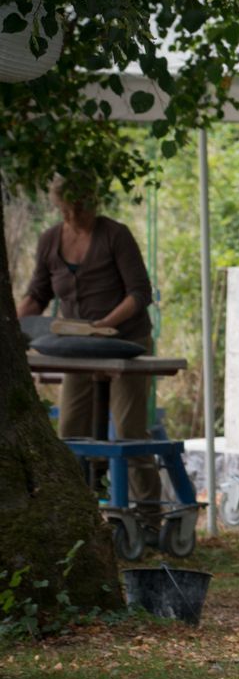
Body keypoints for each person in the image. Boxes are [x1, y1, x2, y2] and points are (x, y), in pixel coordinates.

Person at [17, 178, 159, 520]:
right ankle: (75, 510)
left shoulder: (115, 235)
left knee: (128, 431)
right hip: (77, 348)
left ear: (94, 202)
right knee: (69, 430)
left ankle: (149, 513)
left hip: (127, 343)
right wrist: (13, 328)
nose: (73, 216)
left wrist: (104, 325)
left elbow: (139, 293)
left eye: (80, 209)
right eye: (65, 210)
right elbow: (37, 294)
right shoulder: (50, 240)